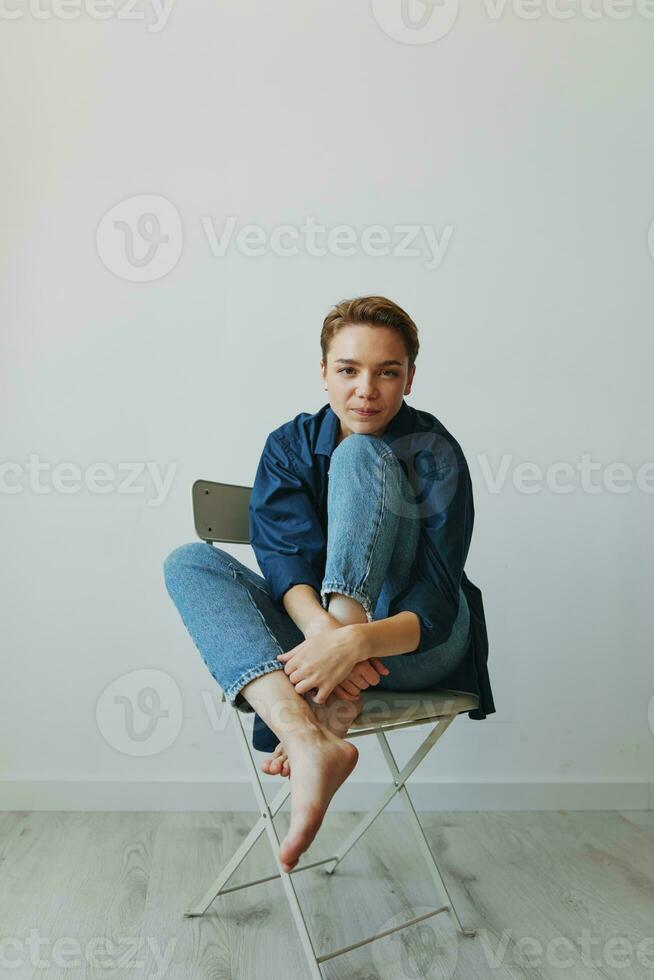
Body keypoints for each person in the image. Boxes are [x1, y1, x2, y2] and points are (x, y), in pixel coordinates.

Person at [163, 295, 495, 875]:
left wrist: (357, 642)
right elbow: (285, 566)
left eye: (387, 372)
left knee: (361, 454)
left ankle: (328, 706)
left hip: (419, 644)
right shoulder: (288, 447)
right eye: (347, 370)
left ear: (410, 378)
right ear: (323, 373)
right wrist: (328, 637)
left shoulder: (434, 450)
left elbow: (439, 596)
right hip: (317, 651)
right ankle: (308, 737)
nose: (366, 389)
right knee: (189, 562)